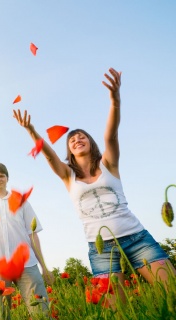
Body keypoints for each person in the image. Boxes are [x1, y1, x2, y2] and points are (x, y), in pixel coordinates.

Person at [13, 68, 176, 292]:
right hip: (101, 249)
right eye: (72, 139)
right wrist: (31, 130)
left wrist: (115, 100)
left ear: (91, 142)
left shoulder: (109, 164)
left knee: (172, 289)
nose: (77, 139)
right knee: (115, 309)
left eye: (82, 136)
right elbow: (49, 155)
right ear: (69, 150)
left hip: (136, 238)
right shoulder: (67, 176)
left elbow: (111, 135)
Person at [0, 162, 54, 317]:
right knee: (1, 314)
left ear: (7, 178)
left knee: (41, 310)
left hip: (27, 264)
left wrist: (44, 266)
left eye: (1, 176)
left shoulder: (21, 202)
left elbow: (33, 234)